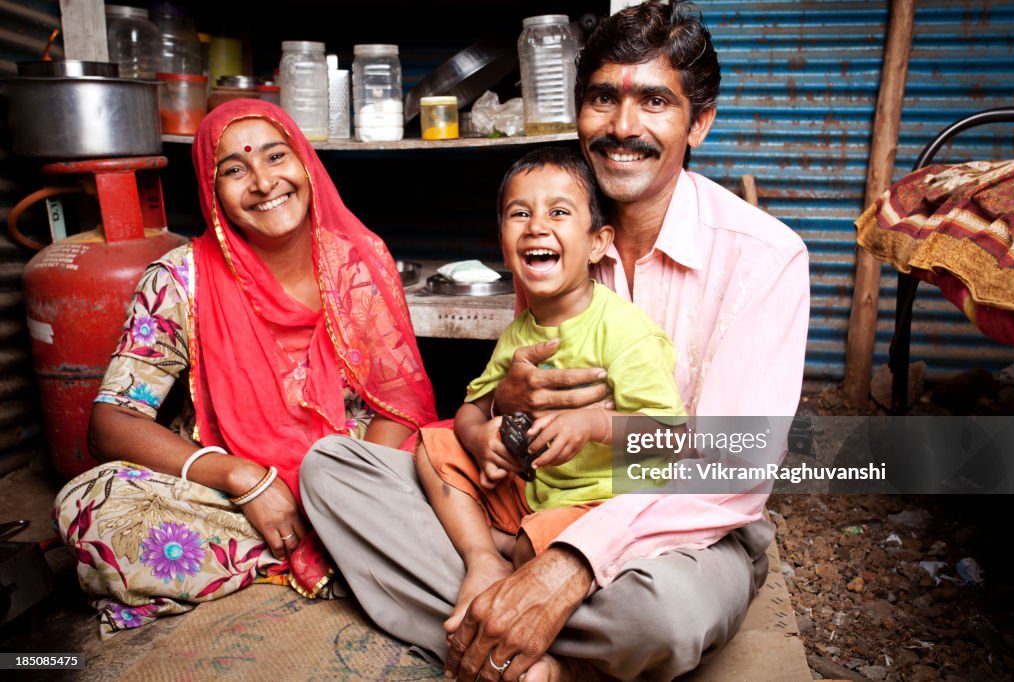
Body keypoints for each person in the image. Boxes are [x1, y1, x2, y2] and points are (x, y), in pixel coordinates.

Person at [301, 1, 810, 679]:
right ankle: (519, 626)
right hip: (539, 498)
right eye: (603, 98)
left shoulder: (765, 256)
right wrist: (500, 414)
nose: (623, 126)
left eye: (654, 101)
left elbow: (729, 470)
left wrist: (572, 566)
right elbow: (506, 409)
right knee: (333, 471)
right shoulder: (555, 238)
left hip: (681, 528)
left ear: (701, 123)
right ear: (578, 114)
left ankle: (503, 633)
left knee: (666, 616)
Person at [51, 99, 436, 638]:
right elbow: (111, 424)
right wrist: (243, 478)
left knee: (456, 467)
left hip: (355, 476)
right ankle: (335, 556)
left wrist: (349, 491)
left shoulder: (356, 263)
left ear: (304, 163)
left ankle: (309, 548)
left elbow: (399, 402)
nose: (263, 182)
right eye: (234, 169)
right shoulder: (178, 281)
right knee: (93, 505)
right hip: (233, 497)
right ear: (212, 191)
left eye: (276, 157)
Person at [415, 147, 685, 633]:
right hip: (531, 489)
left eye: (559, 212)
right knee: (431, 447)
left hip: (598, 504)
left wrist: (596, 424)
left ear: (598, 242)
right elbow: (469, 412)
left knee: (540, 549)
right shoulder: (519, 332)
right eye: (521, 214)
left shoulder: (625, 332)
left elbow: (671, 435)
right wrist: (479, 439)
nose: (537, 225)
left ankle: (508, 548)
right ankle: (485, 555)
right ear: (503, 244)